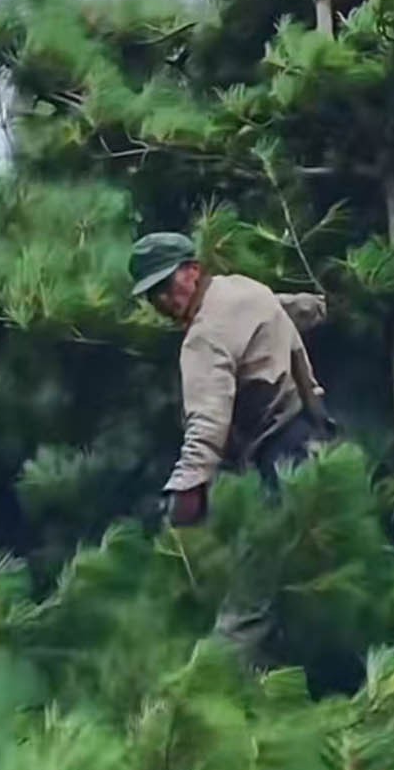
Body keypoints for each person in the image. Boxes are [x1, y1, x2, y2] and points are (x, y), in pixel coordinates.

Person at [131, 229, 333, 663]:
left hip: (281, 461)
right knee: (319, 573)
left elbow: (207, 424)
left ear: (193, 271)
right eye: (152, 296)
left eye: (167, 285)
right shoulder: (241, 289)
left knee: (248, 599)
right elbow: (282, 309)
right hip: (319, 443)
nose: (163, 301)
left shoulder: (203, 338)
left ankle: (215, 682)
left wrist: (186, 491)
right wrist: (322, 306)